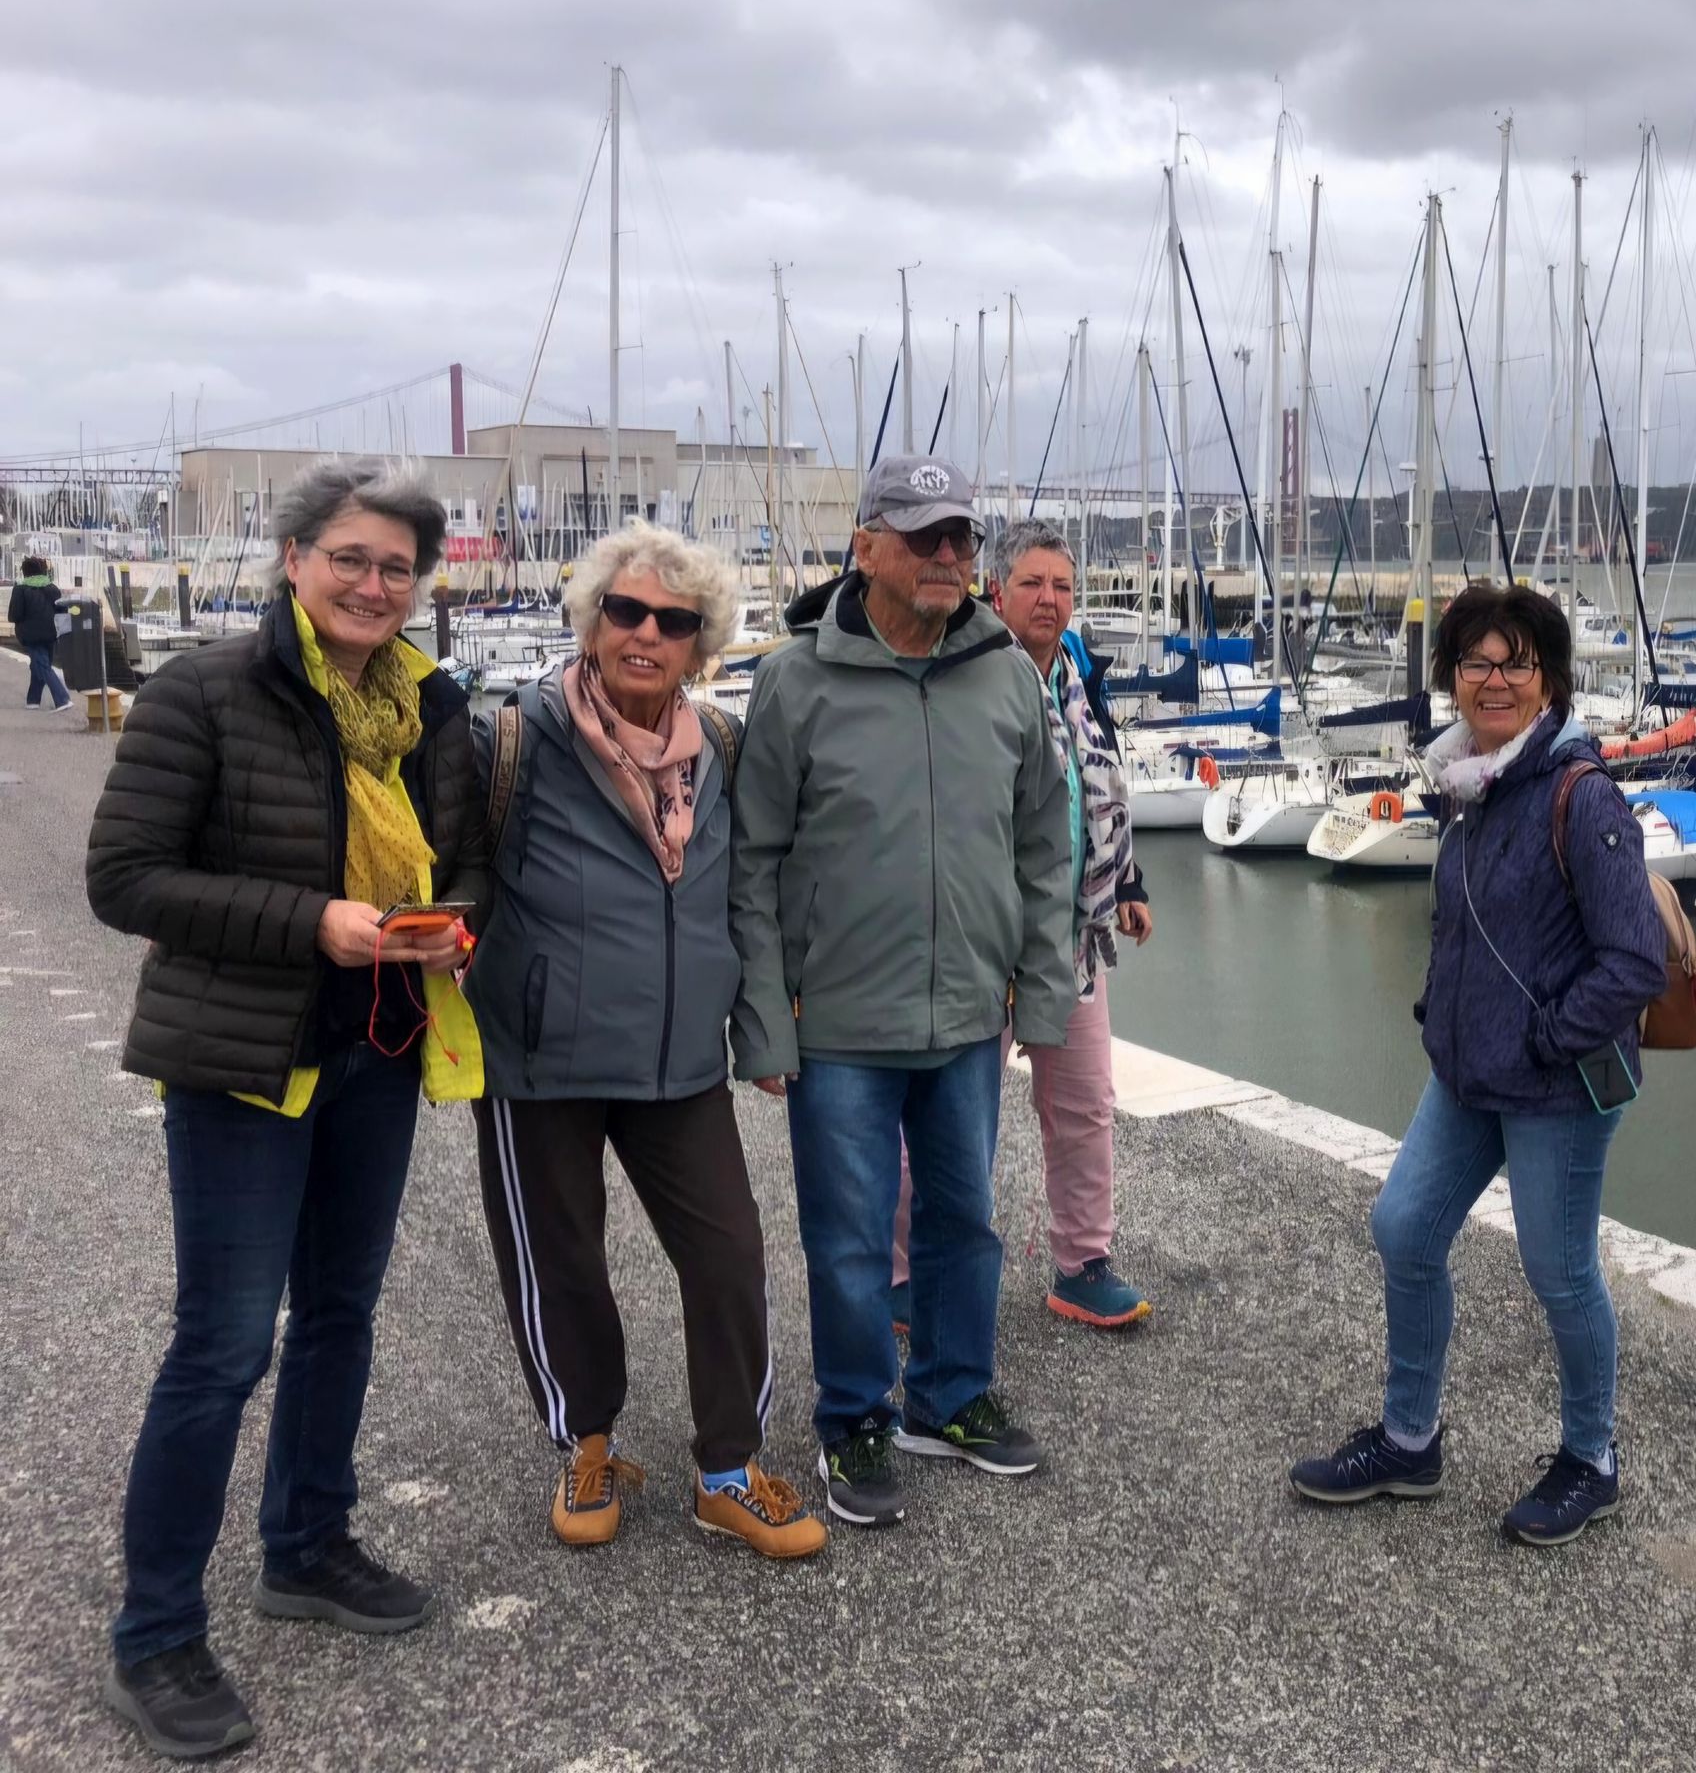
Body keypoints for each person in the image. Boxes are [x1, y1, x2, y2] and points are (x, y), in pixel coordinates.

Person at [86, 459, 489, 1758]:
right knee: (220, 1347)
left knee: (340, 1317)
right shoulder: (206, 691)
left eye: (396, 567)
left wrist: (454, 924)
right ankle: (155, 1635)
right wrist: (310, 920)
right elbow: (126, 878)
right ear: (295, 559)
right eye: (349, 559)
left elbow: (465, 856)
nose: (373, 585)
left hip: (379, 1048)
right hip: (246, 1060)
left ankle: (307, 1545)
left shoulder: (429, 703)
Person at [464, 522, 822, 1562]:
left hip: (680, 1059)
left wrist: (764, 1026)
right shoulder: (516, 738)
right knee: (561, 1260)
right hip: (541, 1058)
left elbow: (752, 894)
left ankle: (727, 1470)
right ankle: (587, 1439)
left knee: (730, 1254)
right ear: (592, 621)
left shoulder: (721, 749)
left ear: (699, 644)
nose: (646, 634)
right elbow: (438, 855)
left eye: (674, 620)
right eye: (626, 611)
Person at [730, 454, 1075, 1531]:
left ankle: (950, 1396)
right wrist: (763, 1023)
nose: (946, 555)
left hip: (969, 1012)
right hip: (837, 1021)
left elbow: (1043, 845)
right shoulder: (795, 681)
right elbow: (753, 862)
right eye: (923, 536)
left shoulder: (1006, 676)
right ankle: (853, 1416)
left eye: (960, 537)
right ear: (866, 546)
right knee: (846, 1238)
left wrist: (1044, 997)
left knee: (965, 1220)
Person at [1289, 583, 1667, 1547]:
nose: (1494, 681)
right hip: (1468, 1070)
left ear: (1549, 680)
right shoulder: (1467, 784)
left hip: (1557, 1082)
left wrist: (1545, 1039)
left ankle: (1592, 1459)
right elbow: (1463, 924)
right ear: (1452, 677)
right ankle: (1409, 1440)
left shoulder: (1581, 795)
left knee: (1559, 1272)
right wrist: (1440, 1011)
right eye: (1475, 663)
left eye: (1516, 664)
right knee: (1404, 1228)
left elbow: (1634, 962)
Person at [893, 519, 1155, 1329]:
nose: (1050, 599)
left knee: (1085, 1107)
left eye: (1063, 586)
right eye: (1033, 583)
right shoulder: (963, 672)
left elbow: (1097, 782)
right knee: (945, 1121)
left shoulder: (1076, 672)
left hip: (1071, 938)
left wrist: (1128, 881)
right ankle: (901, 1273)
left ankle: (1082, 1263)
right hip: (979, 941)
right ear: (996, 591)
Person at [9, 553, 73, 709]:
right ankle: (33, 700)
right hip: (51, 633)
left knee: (42, 666)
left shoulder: (20, 589)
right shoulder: (52, 588)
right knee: (39, 665)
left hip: (31, 635)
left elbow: (15, 615)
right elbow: (62, 610)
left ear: (25, 572)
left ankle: (62, 699)